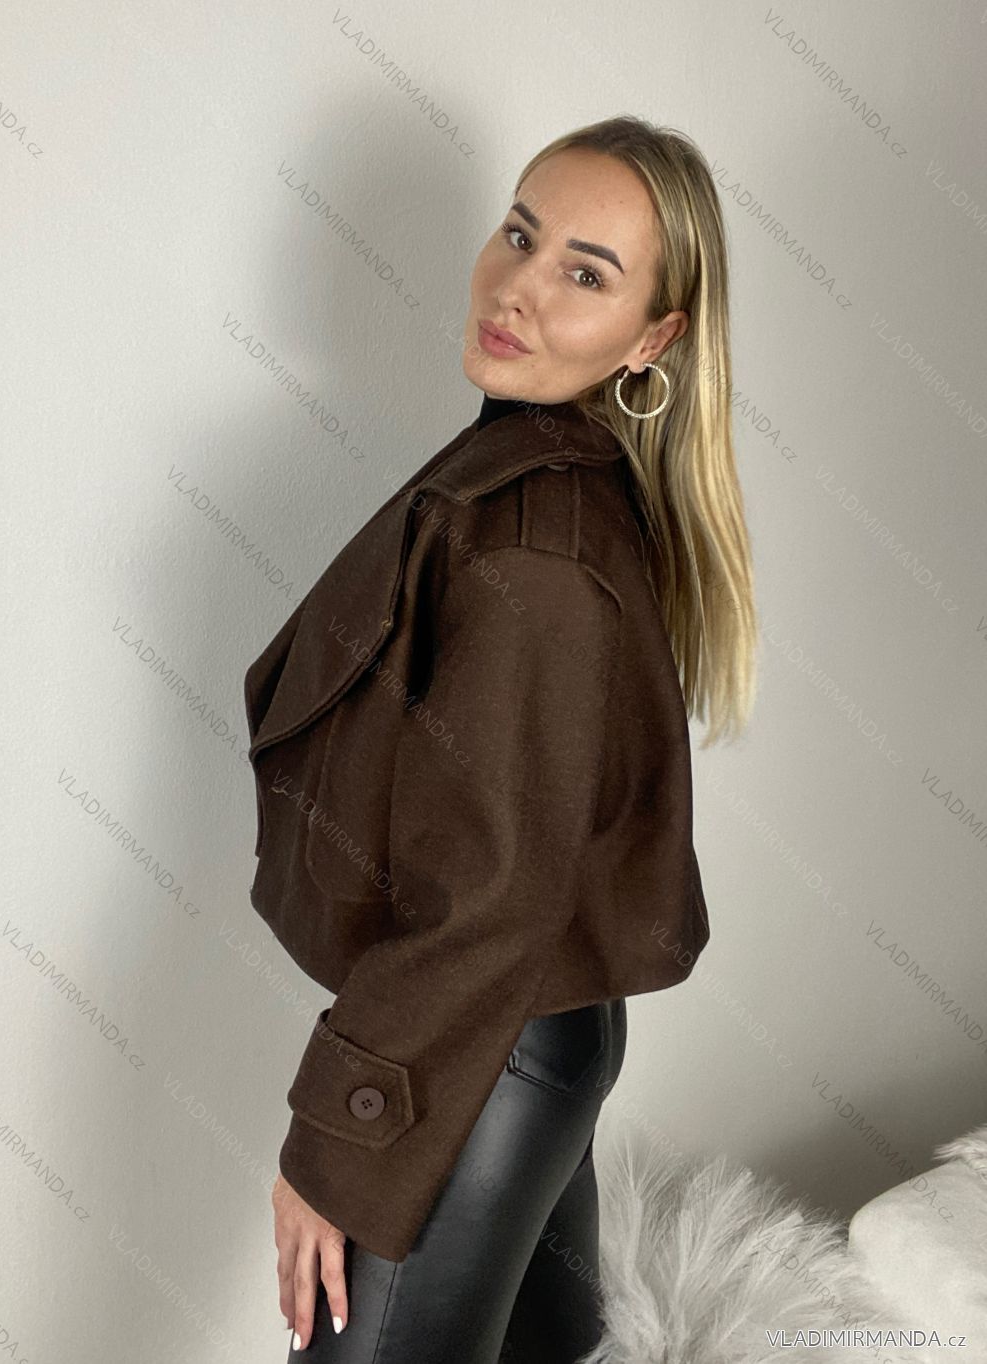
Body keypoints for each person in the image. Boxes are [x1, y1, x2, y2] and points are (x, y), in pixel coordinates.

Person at [243, 113, 757, 1363]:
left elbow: (488, 899)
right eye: (521, 235)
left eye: (586, 272)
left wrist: (337, 1142)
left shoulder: (538, 545)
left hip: (480, 1051)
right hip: (525, 1033)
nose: (519, 287)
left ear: (653, 338)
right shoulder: (524, 473)